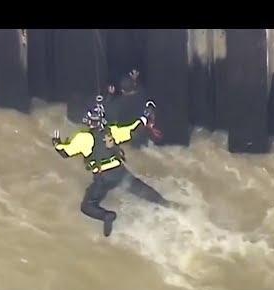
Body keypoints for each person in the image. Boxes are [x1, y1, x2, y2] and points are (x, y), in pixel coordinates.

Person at [52, 98, 179, 237]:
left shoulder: (83, 138)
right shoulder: (112, 131)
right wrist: (145, 116)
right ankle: (169, 205)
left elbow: (64, 153)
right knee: (144, 192)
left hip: (103, 178)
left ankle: (107, 216)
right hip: (119, 172)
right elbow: (134, 127)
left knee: (87, 206)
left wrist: (57, 143)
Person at [104, 70, 153, 148]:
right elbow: (140, 88)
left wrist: (110, 95)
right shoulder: (141, 95)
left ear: (122, 90)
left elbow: (107, 113)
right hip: (137, 125)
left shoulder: (118, 103)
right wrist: (135, 80)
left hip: (124, 129)